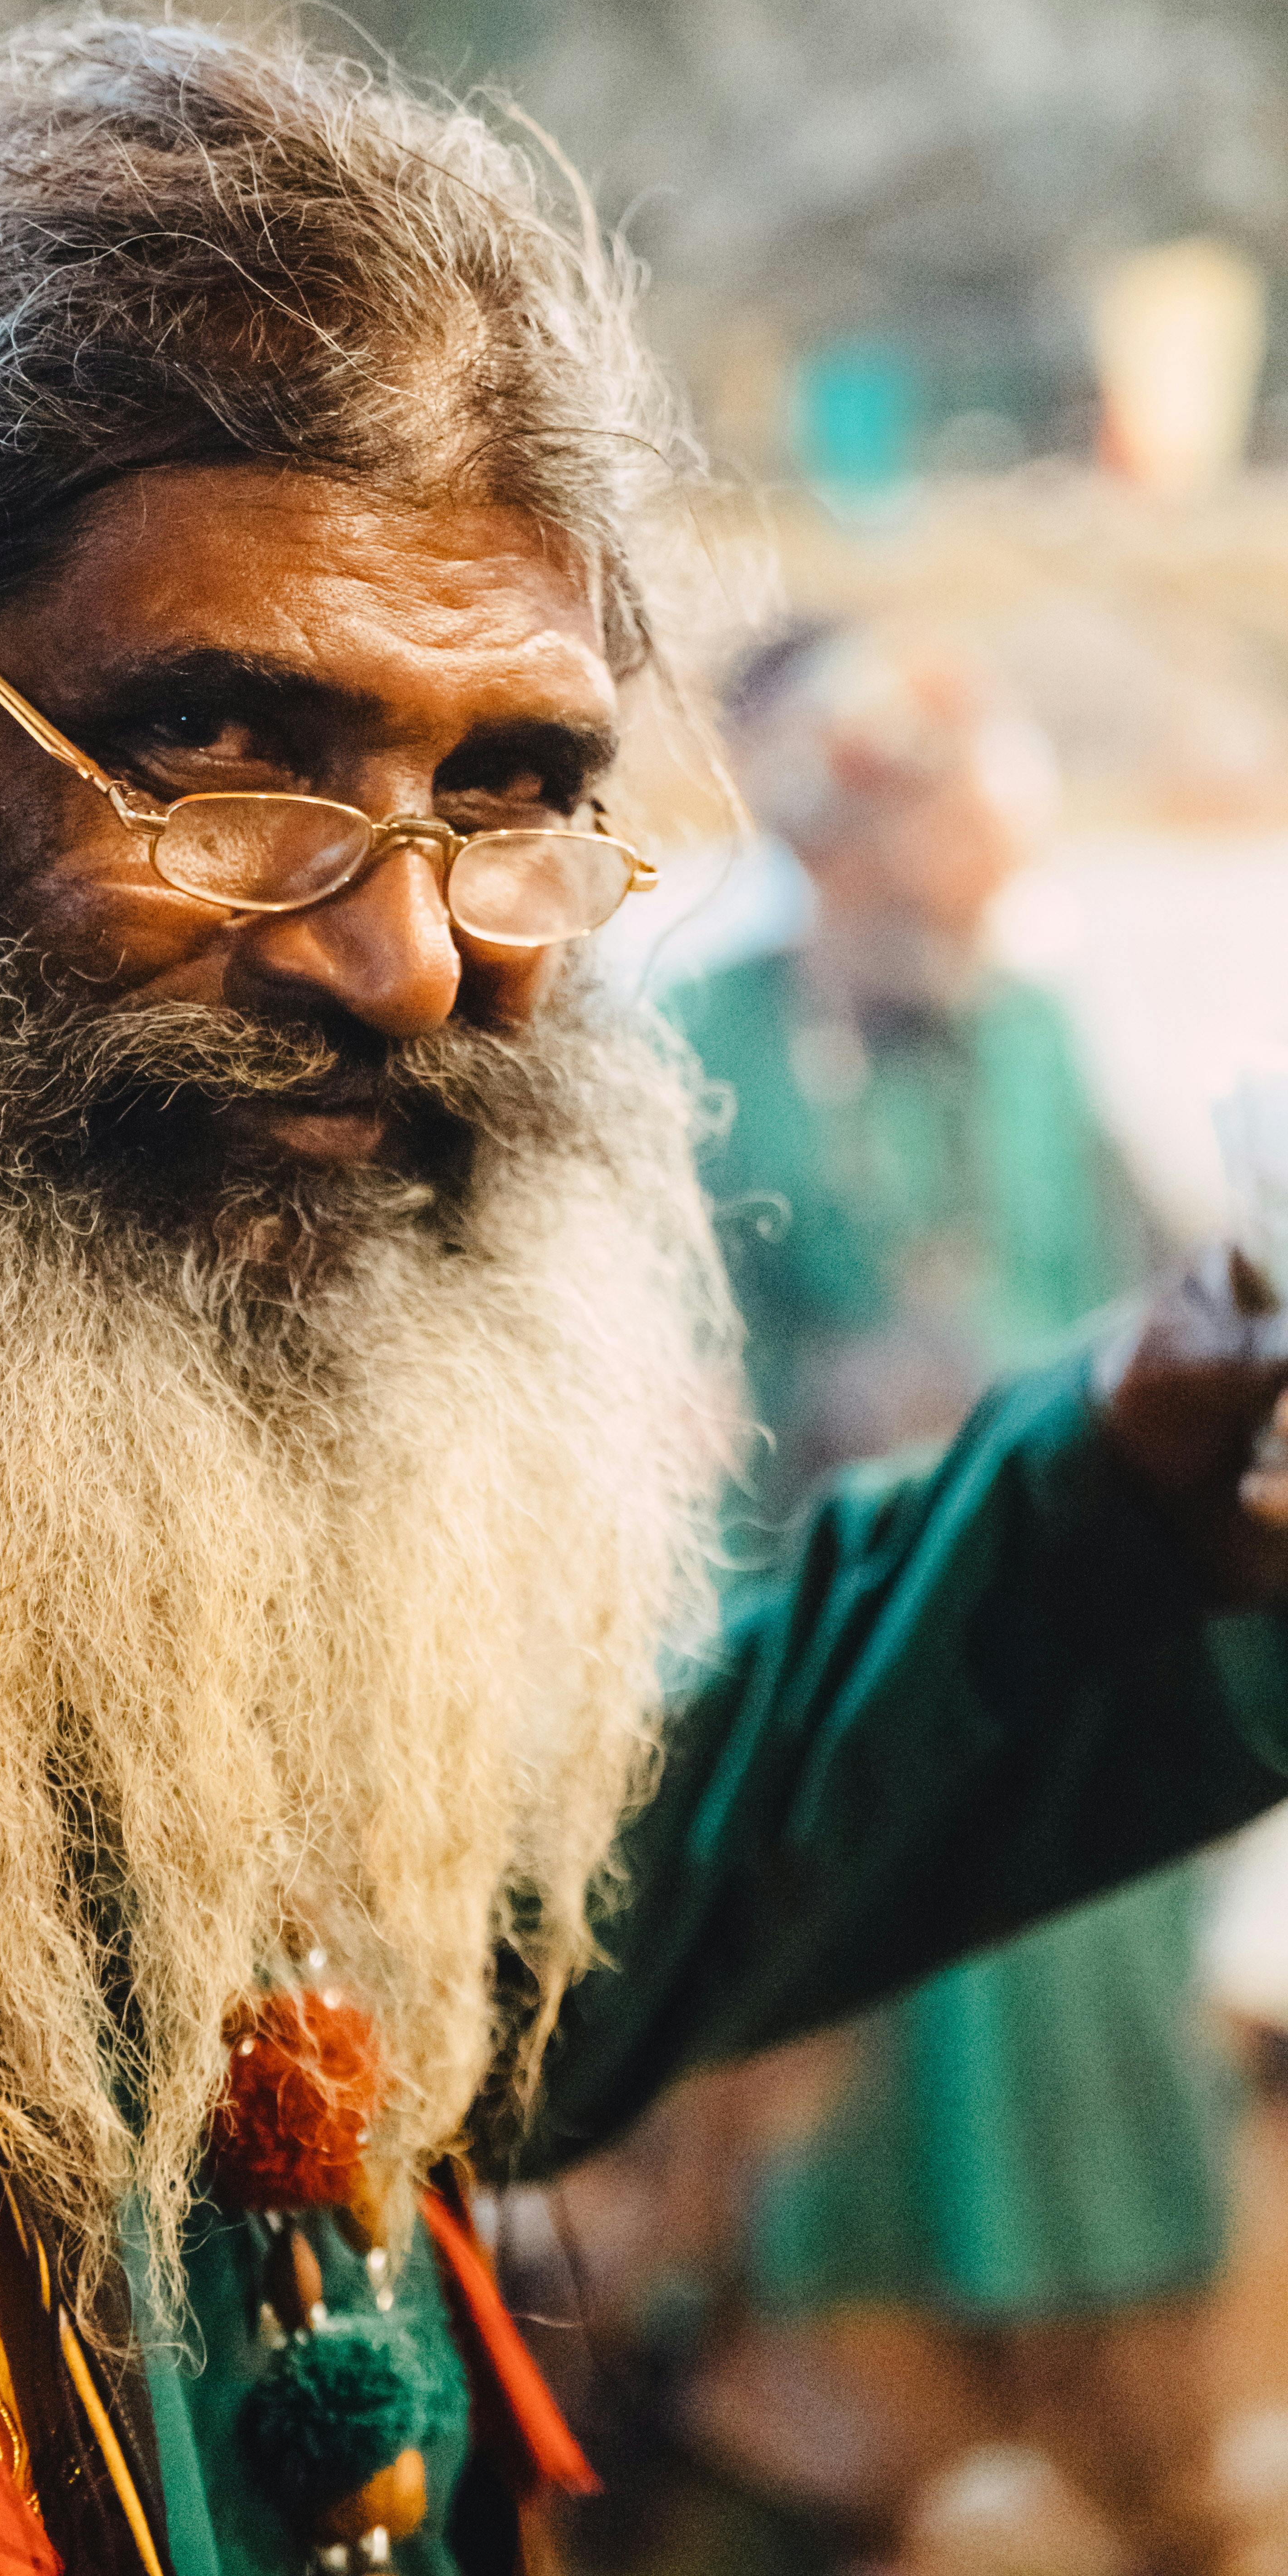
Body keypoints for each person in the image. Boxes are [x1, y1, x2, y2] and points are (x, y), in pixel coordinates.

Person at [0, 14, 1288, 2576]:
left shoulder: (102, 1332)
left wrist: (1130, 1519)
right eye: (216, 748)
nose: (403, 956)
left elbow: (447, 1978)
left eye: (511, 791)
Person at [652, 626, 1238, 2573]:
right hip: (829, 1645)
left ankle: (1123, 2430)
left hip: (1050, 1645)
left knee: (1086, 1994)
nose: (966, 901)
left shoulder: (1036, 1030)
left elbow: (1161, 1280)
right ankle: (842, 2450)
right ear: (825, 849)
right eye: (925, 858)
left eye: (986, 861)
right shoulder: (695, 1049)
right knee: (839, 2040)